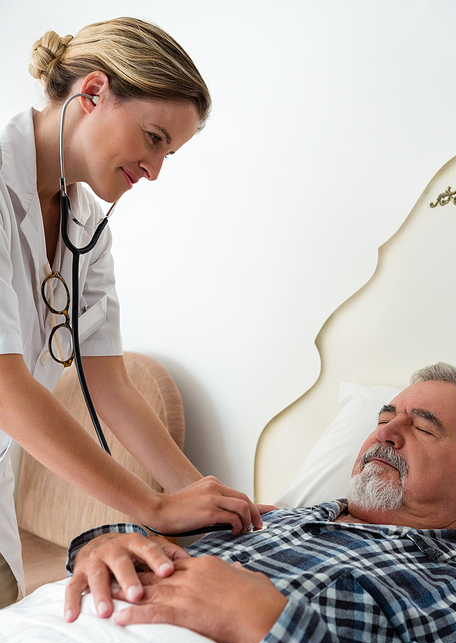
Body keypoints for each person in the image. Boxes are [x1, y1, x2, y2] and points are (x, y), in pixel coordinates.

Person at [66, 362, 456, 643]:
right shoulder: (267, 517)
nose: (386, 432)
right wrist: (105, 544)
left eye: (423, 428)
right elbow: (161, 549)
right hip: (61, 638)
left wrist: (271, 629)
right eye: (384, 417)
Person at [0, 17, 265, 607]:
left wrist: (204, 499)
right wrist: (153, 506)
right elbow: (3, 384)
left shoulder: (85, 225)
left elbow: (109, 382)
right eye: (153, 138)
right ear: (92, 93)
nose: (154, 171)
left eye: (168, 152)